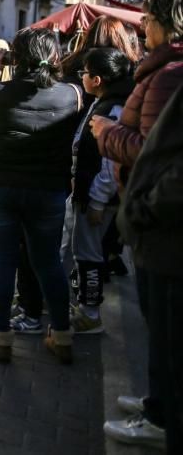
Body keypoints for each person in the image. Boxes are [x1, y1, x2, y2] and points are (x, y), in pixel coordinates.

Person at [91, 0, 183, 450]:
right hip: (153, 222)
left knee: (166, 328)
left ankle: (162, 419)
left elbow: (151, 155)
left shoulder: (169, 76)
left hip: (162, 228)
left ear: (168, 24)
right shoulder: (162, 71)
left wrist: (106, 132)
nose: (140, 26)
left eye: (147, 18)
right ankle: (157, 404)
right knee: (158, 325)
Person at [0, 28, 82, 364]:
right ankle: (62, 336)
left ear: (16, 58)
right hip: (47, 190)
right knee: (47, 262)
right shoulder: (73, 94)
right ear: (55, 57)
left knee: (2, 259)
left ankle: (1, 338)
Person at [115, 84, 183, 454]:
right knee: (160, 334)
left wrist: (143, 209)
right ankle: (158, 406)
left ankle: (162, 418)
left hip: (167, 236)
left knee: (170, 344)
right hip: (159, 235)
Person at [66, 48, 134, 334]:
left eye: (84, 72)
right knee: (82, 250)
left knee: (89, 253)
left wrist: (96, 200)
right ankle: (85, 307)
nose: (81, 76)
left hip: (97, 198)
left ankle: (90, 313)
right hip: (87, 193)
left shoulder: (113, 109)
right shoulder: (101, 102)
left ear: (97, 78)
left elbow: (110, 162)